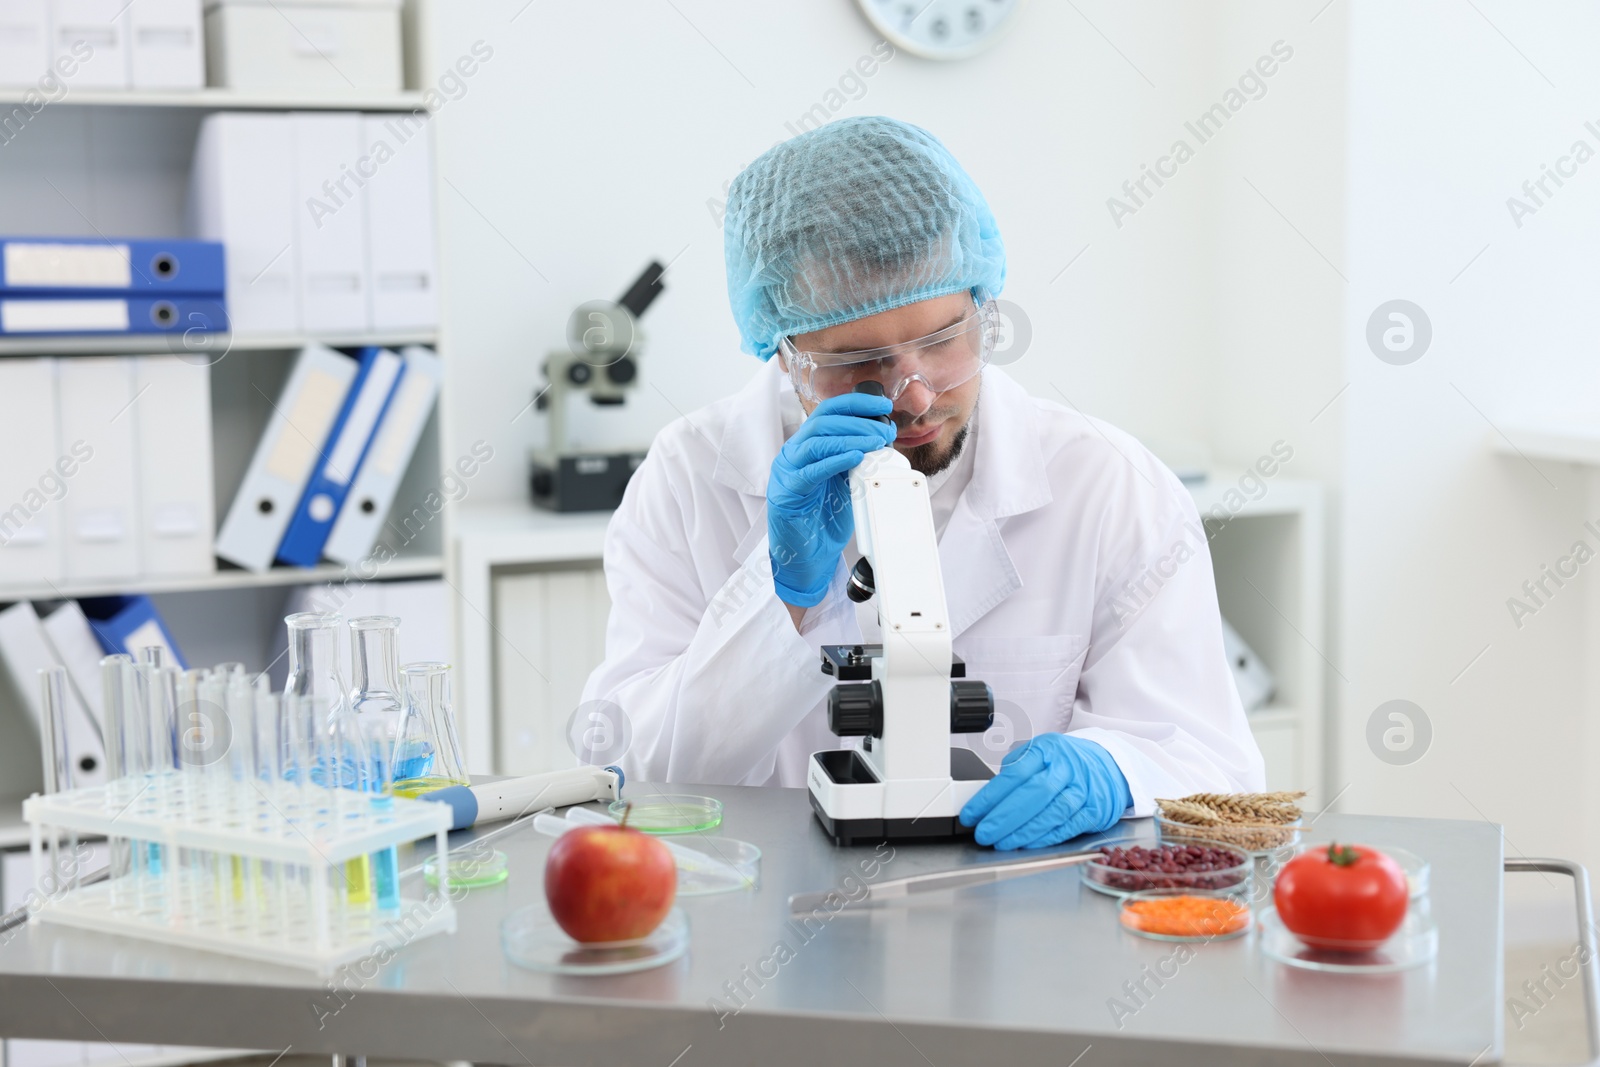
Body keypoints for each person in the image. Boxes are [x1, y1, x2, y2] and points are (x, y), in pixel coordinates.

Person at [580, 116, 1263, 850]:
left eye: (941, 341)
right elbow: (627, 774)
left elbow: (1212, 759)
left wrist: (1115, 769)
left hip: (1018, 930)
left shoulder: (1110, 486)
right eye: (858, 362)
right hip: (766, 922)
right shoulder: (689, 480)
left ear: (983, 304)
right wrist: (780, 597)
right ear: (783, 352)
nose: (912, 394)